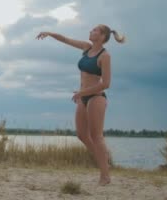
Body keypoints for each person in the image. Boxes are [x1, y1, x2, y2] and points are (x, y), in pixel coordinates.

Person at [36, 25, 125, 185]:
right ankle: (103, 161)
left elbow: (106, 83)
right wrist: (49, 33)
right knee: (82, 135)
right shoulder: (86, 47)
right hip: (82, 97)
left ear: (103, 35)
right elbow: (66, 40)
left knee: (96, 136)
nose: (91, 31)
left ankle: (105, 176)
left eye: (95, 30)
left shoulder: (105, 56)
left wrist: (81, 93)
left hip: (96, 98)